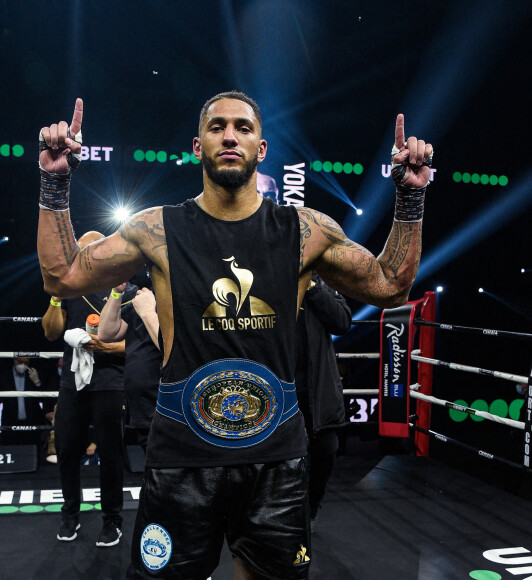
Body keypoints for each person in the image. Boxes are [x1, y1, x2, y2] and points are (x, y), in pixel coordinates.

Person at [36, 91, 433, 579]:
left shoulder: (305, 230)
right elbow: (63, 279)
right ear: (198, 146)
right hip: (182, 455)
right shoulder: (156, 229)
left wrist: (410, 196)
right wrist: (55, 184)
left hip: (276, 459)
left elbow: (391, 285)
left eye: (243, 128)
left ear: (261, 148)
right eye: (217, 127)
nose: (230, 136)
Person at [41, 231, 127, 548]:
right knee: (66, 450)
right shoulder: (70, 290)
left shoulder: (122, 289)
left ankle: (112, 522)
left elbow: (135, 345)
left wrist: (102, 347)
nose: (88, 253)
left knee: (111, 453)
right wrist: (55, 295)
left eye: (93, 247)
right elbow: (51, 333)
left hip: (109, 381)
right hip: (72, 382)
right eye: (83, 249)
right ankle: (69, 516)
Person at [295, 272, 352, 528]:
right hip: (279, 388)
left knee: (324, 454)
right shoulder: (266, 276)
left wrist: (311, 283)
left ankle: (310, 512)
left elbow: (341, 321)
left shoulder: (320, 279)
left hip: (318, 391)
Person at [98, 278, 162, 457]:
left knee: (166, 473)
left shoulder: (178, 301)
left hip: (164, 406)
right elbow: (106, 332)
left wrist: (148, 312)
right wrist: (117, 292)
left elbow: (171, 350)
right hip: (142, 408)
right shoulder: (146, 297)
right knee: (152, 471)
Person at [0, 356, 46, 448]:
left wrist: (37, 382)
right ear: (14, 360)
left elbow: (44, 398)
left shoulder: (34, 374)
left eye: (26, 363)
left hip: (31, 423)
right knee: (11, 453)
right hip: (10, 423)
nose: (23, 365)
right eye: (20, 361)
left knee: (33, 454)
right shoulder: (4, 376)